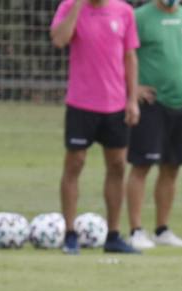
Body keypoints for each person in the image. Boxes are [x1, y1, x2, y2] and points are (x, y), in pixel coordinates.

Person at [50, 0, 142, 255]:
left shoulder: (124, 11)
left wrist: (132, 99)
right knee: (75, 164)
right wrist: (78, 6)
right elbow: (59, 40)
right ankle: (70, 234)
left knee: (117, 166)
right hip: (81, 104)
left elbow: (129, 56)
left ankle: (113, 235)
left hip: (114, 105)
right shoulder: (69, 6)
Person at [125, 0, 182, 250]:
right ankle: (136, 231)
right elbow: (122, 53)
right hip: (151, 104)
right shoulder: (139, 17)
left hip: (180, 104)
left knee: (171, 167)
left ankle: (162, 230)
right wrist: (133, 89)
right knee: (141, 166)